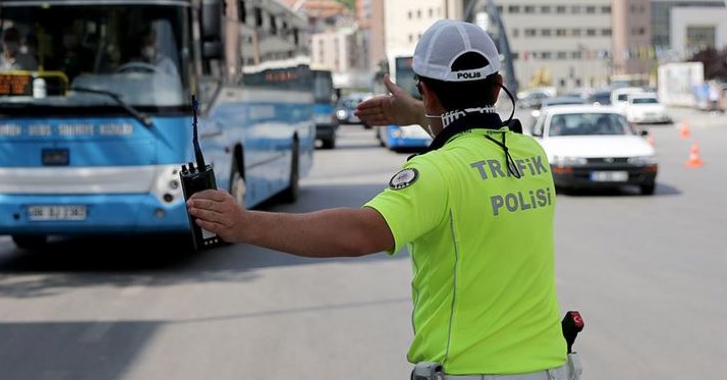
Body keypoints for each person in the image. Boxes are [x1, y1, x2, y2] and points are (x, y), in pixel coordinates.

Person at [187, 19, 571, 379]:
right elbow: (470, 137)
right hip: (552, 366)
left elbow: (358, 234)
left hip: (473, 370)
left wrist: (245, 224)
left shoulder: (437, 173)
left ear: (427, 92)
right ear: (498, 85)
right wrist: (419, 113)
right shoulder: (530, 154)